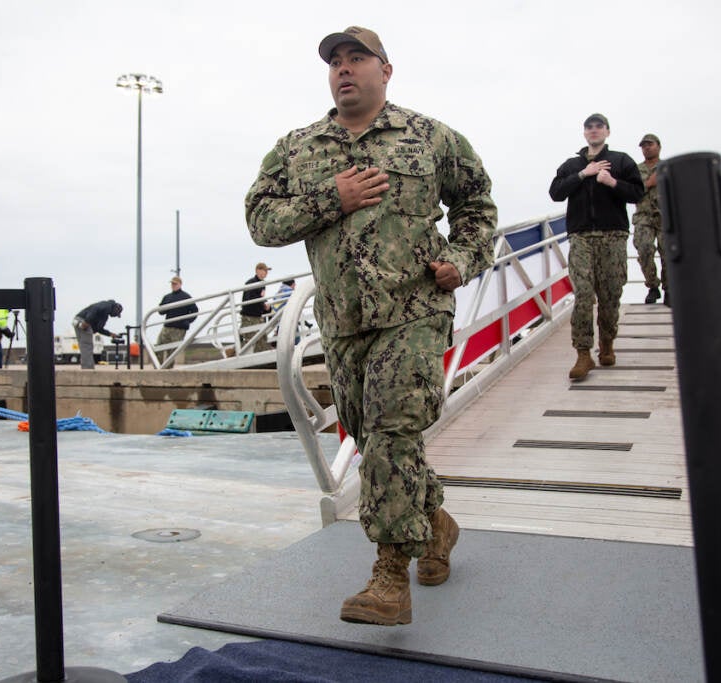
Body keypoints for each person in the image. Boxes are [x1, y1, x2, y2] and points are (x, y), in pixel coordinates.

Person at [245, 26, 497, 626]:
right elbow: (260, 220)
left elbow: (478, 208)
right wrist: (332, 197)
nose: (345, 69)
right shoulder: (299, 147)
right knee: (374, 436)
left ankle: (390, 577)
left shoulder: (433, 138)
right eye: (336, 61)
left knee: (390, 432)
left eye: (358, 58)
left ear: (387, 70)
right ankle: (435, 525)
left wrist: (460, 262)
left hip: (413, 311)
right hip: (342, 321)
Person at [549, 113, 645, 380]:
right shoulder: (571, 165)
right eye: (589, 127)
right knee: (582, 294)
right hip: (581, 237)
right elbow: (556, 192)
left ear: (607, 132)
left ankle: (607, 344)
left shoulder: (621, 161)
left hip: (613, 235)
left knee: (610, 294)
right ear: (584, 133)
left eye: (598, 127)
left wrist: (611, 182)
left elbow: (638, 193)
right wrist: (583, 174)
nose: (594, 131)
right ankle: (583, 353)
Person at [633, 133, 667, 306]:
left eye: (650, 144)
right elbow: (631, 193)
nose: (647, 147)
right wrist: (648, 183)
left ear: (658, 146)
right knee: (644, 250)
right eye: (644, 145)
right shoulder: (635, 170)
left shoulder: (667, 168)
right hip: (643, 217)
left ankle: (669, 289)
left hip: (666, 217)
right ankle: (653, 286)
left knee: (667, 254)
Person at [156, 276, 198, 368]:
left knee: (172, 352)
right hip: (167, 327)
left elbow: (195, 311)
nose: (173, 285)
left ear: (180, 284)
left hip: (179, 329)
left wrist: (187, 322)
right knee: (158, 347)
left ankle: (168, 369)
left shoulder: (186, 297)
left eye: (175, 284)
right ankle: (158, 368)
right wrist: (164, 307)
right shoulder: (167, 297)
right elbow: (160, 311)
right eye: (172, 284)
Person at [72, 300, 123, 369]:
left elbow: (99, 328)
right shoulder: (106, 306)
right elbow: (94, 309)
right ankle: (88, 368)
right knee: (87, 346)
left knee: (84, 346)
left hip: (78, 320)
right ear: (115, 310)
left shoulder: (105, 313)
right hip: (83, 321)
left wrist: (110, 334)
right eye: (116, 314)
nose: (115, 316)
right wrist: (87, 321)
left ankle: (86, 367)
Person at [240, 262, 272, 352]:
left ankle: (264, 360)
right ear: (257, 271)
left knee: (262, 340)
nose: (266, 273)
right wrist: (261, 300)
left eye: (266, 271)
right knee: (250, 341)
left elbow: (260, 300)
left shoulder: (262, 284)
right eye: (264, 270)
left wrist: (267, 308)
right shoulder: (250, 283)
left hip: (258, 317)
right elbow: (248, 300)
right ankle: (235, 353)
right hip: (250, 318)